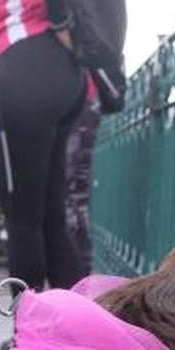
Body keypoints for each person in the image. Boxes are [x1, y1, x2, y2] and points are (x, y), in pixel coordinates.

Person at [0, 0, 87, 291]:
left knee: (22, 219)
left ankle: (27, 332)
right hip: (63, 66)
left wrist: (60, 20)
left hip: (25, 56)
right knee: (51, 218)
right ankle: (76, 329)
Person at [64, 78, 101, 272]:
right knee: (74, 197)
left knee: (71, 197)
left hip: (75, 92)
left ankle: (79, 281)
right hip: (82, 93)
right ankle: (80, 279)